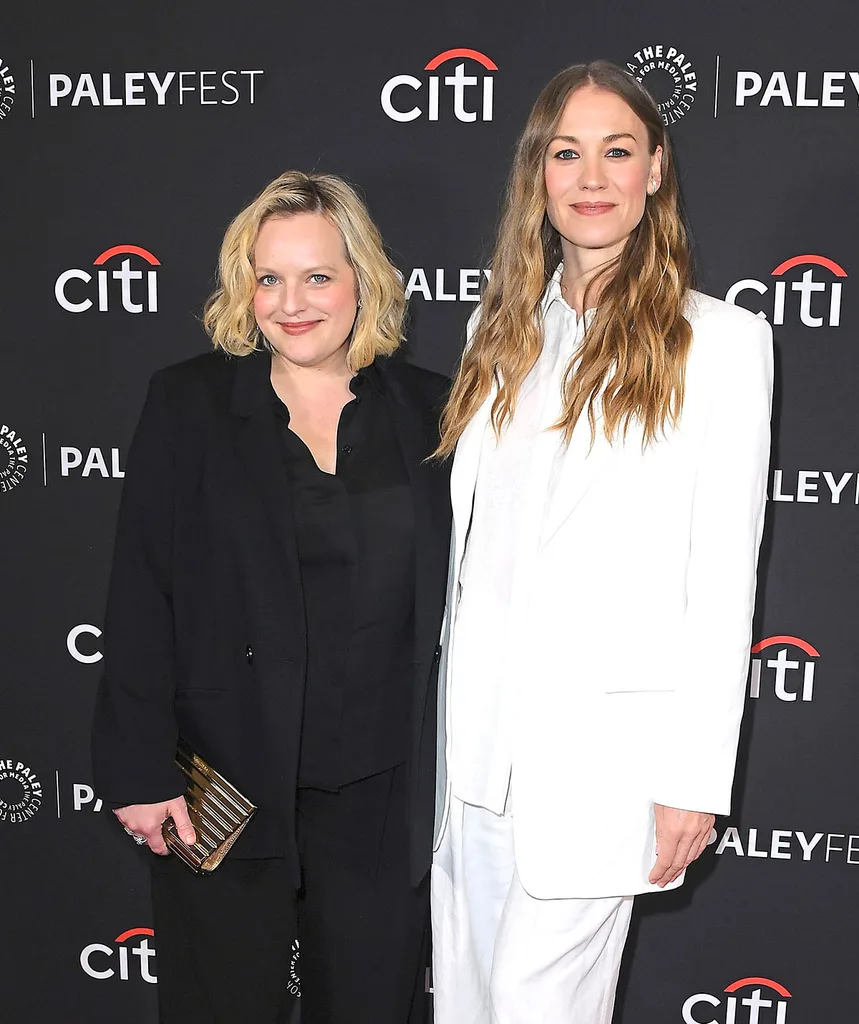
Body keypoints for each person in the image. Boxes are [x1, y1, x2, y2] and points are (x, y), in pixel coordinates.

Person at [430, 61, 773, 1024]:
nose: (590, 178)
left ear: (654, 170)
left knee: (533, 1006)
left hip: (602, 765)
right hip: (472, 757)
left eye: (616, 151)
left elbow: (722, 577)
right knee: (466, 1005)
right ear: (535, 174)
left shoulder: (721, 344)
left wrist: (693, 781)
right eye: (564, 153)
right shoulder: (496, 334)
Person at [91, 170, 451, 1024]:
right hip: (222, 780)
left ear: (362, 279)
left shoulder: (433, 408)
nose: (292, 303)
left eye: (317, 276)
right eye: (269, 279)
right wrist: (138, 769)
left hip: (382, 790)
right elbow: (141, 587)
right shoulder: (188, 403)